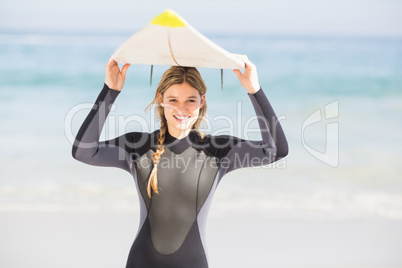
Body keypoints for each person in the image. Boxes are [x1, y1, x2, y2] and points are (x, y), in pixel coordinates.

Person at [72, 55, 288, 268]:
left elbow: (276, 151)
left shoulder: (218, 151)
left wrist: (254, 90)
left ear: (202, 101)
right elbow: (83, 151)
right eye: (173, 100)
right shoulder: (138, 146)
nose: (182, 109)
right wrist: (110, 91)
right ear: (161, 99)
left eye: (190, 100)